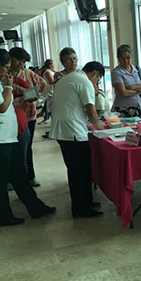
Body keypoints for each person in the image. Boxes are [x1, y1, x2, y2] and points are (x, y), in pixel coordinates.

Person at [0, 48, 56, 226]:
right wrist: (9, 86)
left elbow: (4, 103)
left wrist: (13, 98)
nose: (8, 72)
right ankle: (2, 215)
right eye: (6, 67)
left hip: (5, 137)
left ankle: (35, 207)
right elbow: (0, 107)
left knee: (19, 175)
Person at [49, 48, 104, 218]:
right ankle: (80, 208)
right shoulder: (82, 80)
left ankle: (86, 201)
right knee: (79, 171)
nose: (97, 84)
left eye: (75, 58)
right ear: (95, 74)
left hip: (66, 130)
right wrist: (99, 126)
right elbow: (90, 108)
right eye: (98, 80)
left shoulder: (68, 78)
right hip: (72, 131)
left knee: (81, 169)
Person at [9, 47, 46, 187]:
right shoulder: (4, 74)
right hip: (9, 118)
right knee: (11, 148)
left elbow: (42, 86)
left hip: (29, 116)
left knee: (27, 147)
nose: (21, 64)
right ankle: (11, 179)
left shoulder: (28, 74)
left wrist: (30, 94)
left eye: (23, 61)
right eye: (18, 60)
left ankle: (29, 176)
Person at [110, 44, 141, 117]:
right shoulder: (116, 72)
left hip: (137, 108)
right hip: (122, 109)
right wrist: (140, 90)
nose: (126, 61)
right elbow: (123, 93)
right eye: (123, 58)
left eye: (128, 58)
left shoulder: (137, 69)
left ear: (131, 57)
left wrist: (132, 87)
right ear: (118, 59)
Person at [39, 59, 56, 124]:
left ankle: (46, 117)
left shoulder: (50, 71)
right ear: (50, 65)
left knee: (50, 107)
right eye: (53, 64)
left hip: (52, 91)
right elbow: (52, 81)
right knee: (51, 108)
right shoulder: (48, 72)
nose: (54, 65)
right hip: (50, 92)